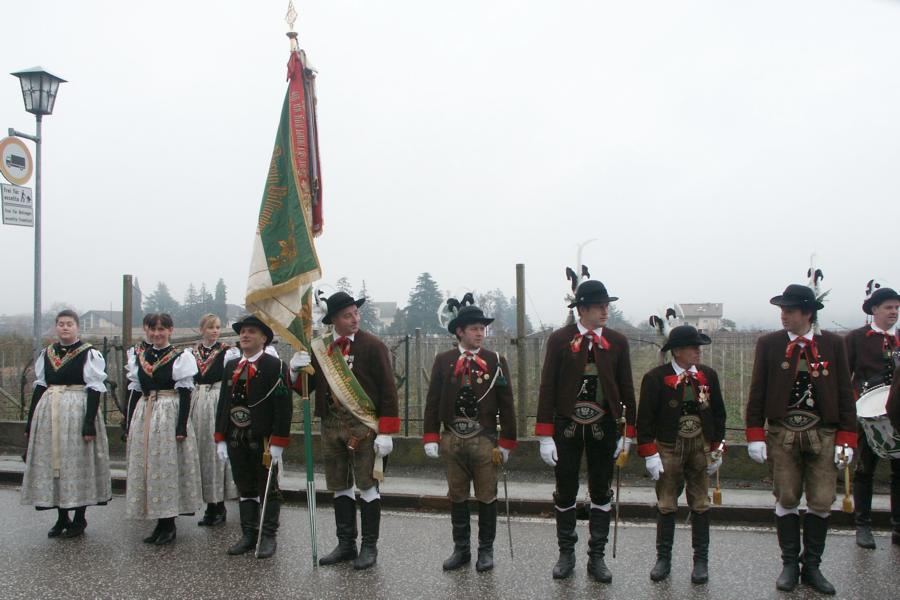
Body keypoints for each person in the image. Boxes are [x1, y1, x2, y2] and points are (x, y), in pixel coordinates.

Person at [745, 284, 856, 595]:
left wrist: (847, 438)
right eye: (782, 310)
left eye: (790, 311)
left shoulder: (833, 344)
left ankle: (813, 567)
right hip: (782, 433)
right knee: (787, 497)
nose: (783, 316)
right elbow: (758, 390)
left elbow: (845, 393)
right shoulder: (769, 344)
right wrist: (755, 434)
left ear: (808, 313)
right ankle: (790, 565)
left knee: (821, 499)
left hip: (824, 433)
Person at [535, 280, 636, 582]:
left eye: (607, 306)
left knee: (601, 490)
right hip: (567, 427)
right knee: (565, 489)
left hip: (604, 426)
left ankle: (597, 557)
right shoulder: (559, 340)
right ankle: (566, 554)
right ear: (582, 309)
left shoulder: (618, 342)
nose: (606, 311)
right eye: (599, 307)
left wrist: (627, 434)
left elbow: (626, 388)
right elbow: (548, 387)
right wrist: (545, 434)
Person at [293, 291, 399, 570]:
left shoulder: (373, 345)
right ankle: (346, 544)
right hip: (331, 424)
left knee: (367, 485)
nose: (354, 319)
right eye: (347, 315)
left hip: (363, 426)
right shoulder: (321, 348)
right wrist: (294, 371)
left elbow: (388, 391)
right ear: (334, 320)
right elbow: (305, 388)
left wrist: (386, 431)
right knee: (339, 485)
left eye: (356, 313)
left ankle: (369, 547)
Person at [423, 300, 517, 572]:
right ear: (460, 331)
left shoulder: (496, 361)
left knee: (487, 496)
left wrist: (507, 441)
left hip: (485, 440)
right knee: (457, 495)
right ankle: (461, 549)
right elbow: (433, 401)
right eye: (474, 328)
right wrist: (430, 435)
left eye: (482, 328)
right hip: (452, 439)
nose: (480, 333)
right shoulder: (443, 361)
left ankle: (485, 550)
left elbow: (507, 404)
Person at [636, 325, 726, 584]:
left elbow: (718, 413)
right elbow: (645, 419)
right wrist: (649, 453)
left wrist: (717, 448)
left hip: (699, 446)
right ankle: (663, 559)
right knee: (666, 503)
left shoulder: (707, 376)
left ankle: (701, 561)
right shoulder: (655, 378)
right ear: (677, 351)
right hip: (668, 447)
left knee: (701, 503)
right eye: (693, 347)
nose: (698, 351)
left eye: (699, 347)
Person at [21, 309, 112, 538]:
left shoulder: (89, 353)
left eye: (69, 324)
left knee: (78, 463)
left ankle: (80, 518)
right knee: (55, 464)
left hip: (77, 411)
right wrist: (30, 423)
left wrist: (89, 423)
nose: (64, 327)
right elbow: (40, 387)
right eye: (61, 324)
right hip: (50, 413)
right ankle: (62, 517)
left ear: (77, 327)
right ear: (56, 327)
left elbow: (95, 389)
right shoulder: (47, 353)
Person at [214, 315, 292, 559]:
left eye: (251, 332)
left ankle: (268, 535)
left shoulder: (275, 366)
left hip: (263, 439)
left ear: (263, 338)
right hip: (236, 436)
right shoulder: (231, 366)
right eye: (242, 332)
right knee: (244, 486)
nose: (245, 335)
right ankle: (249, 534)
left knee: (268, 487)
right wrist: (220, 437)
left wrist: (279, 440)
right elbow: (224, 403)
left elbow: (283, 406)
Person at [124, 312, 202, 545]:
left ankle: (169, 523)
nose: (157, 333)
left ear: (170, 330)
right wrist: (128, 423)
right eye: (153, 329)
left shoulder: (180, 357)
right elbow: (134, 391)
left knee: (166, 466)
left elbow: (186, 392)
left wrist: (181, 426)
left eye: (161, 329)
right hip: (145, 411)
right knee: (149, 466)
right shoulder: (140, 356)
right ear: (146, 330)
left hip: (169, 411)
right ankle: (158, 521)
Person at [844, 286, 900, 548]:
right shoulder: (856, 338)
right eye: (888, 307)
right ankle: (863, 526)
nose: (894, 312)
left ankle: (898, 527)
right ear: (874, 310)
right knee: (865, 469)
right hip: (867, 415)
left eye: (896, 308)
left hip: (897, 414)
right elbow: (844, 376)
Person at [190, 313, 238, 527]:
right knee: (201, 452)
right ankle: (210, 505)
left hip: (216, 401)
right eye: (211, 327)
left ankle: (219, 504)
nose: (215, 331)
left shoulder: (227, 352)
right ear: (202, 329)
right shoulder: (191, 353)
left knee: (215, 452)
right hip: (197, 402)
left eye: (218, 327)